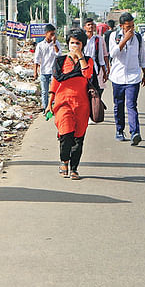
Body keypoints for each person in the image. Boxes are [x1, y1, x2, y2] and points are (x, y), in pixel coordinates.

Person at [45, 28, 94, 180]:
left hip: (81, 105)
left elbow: (87, 74)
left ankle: (74, 168)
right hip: (63, 103)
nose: (74, 46)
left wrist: (80, 57)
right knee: (66, 134)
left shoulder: (88, 61)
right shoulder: (60, 61)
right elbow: (54, 83)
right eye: (72, 43)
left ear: (82, 45)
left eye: (77, 43)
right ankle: (64, 161)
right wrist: (49, 103)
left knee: (78, 138)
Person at [109, 12, 145, 146]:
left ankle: (135, 133)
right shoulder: (114, 36)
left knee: (131, 105)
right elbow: (113, 54)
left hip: (133, 77)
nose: (131, 29)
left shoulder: (138, 37)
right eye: (128, 27)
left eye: (132, 26)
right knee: (118, 105)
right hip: (117, 77)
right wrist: (124, 39)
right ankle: (119, 130)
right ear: (121, 26)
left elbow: (142, 56)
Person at [33, 24, 61, 112]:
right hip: (44, 71)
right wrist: (35, 72)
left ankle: (55, 108)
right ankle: (45, 108)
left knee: (54, 91)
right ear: (46, 33)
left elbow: (59, 55)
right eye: (51, 34)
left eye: (54, 34)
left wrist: (54, 44)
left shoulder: (57, 44)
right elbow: (37, 59)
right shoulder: (40, 45)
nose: (53, 36)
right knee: (44, 92)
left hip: (53, 71)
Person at [83, 18, 109, 100]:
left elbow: (102, 56)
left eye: (92, 25)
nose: (90, 26)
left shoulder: (99, 39)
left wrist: (105, 71)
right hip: (84, 67)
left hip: (96, 67)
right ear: (85, 27)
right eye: (88, 25)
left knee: (98, 89)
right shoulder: (82, 39)